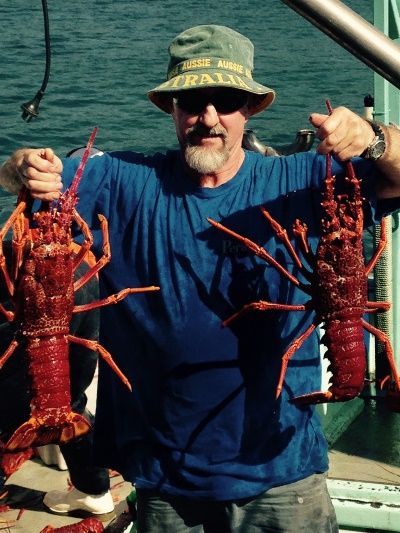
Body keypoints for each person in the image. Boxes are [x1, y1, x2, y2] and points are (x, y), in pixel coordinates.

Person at [1, 24, 400, 533]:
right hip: (167, 480)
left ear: (250, 109)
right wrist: (22, 167)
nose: (208, 118)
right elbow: (33, 183)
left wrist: (377, 139)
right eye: (192, 101)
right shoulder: (123, 179)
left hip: (282, 474)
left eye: (226, 101)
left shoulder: (301, 179)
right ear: (171, 107)